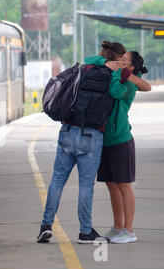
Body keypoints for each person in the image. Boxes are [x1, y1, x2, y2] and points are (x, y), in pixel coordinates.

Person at [37, 41, 129, 244]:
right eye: (122, 58)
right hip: (92, 135)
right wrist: (115, 68)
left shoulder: (86, 67)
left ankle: (46, 225)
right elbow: (124, 87)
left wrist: (104, 62)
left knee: (57, 180)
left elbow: (88, 60)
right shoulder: (115, 73)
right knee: (86, 186)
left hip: (67, 131)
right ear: (117, 57)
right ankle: (85, 231)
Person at [95, 51, 150, 243]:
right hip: (105, 140)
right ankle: (117, 227)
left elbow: (115, 92)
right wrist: (106, 62)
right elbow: (89, 60)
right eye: (119, 59)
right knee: (111, 184)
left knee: (124, 185)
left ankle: (129, 230)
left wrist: (118, 73)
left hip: (121, 140)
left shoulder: (129, 84)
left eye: (123, 61)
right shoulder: (116, 72)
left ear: (131, 67)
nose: (119, 62)